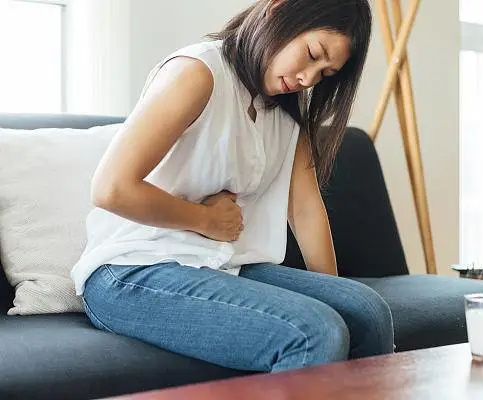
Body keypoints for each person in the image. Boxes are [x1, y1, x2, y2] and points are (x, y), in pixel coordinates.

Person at [72, 0, 394, 373]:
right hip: (131, 268)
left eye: (324, 74)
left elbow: (305, 210)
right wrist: (205, 220)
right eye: (311, 54)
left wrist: (335, 297)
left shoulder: (285, 109)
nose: (308, 78)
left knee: (366, 311)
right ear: (278, 10)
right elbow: (111, 188)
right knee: (312, 333)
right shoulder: (198, 73)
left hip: (219, 264)